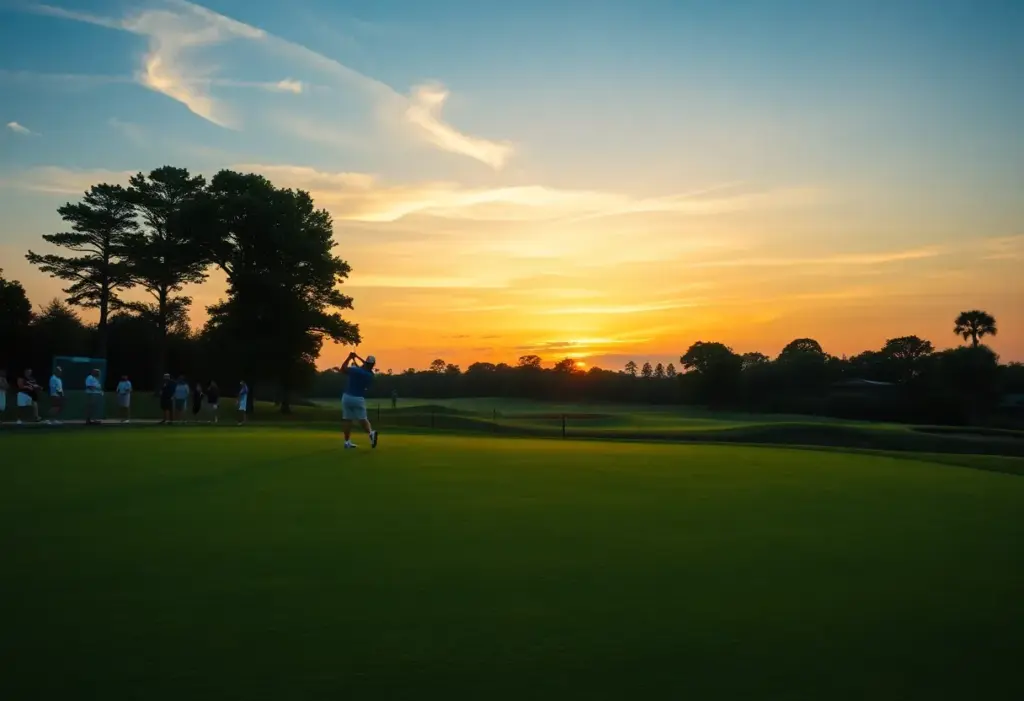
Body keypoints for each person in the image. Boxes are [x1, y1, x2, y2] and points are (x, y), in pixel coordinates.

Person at [341, 352, 378, 449]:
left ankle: (347, 442)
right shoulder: (370, 375)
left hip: (346, 397)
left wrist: (350, 357)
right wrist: (357, 357)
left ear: (365, 363)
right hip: (358, 398)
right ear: (373, 365)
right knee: (363, 419)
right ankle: (371, 433)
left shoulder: (355, 370)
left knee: (347, 420)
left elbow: (343, 369)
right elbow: (365, 366)